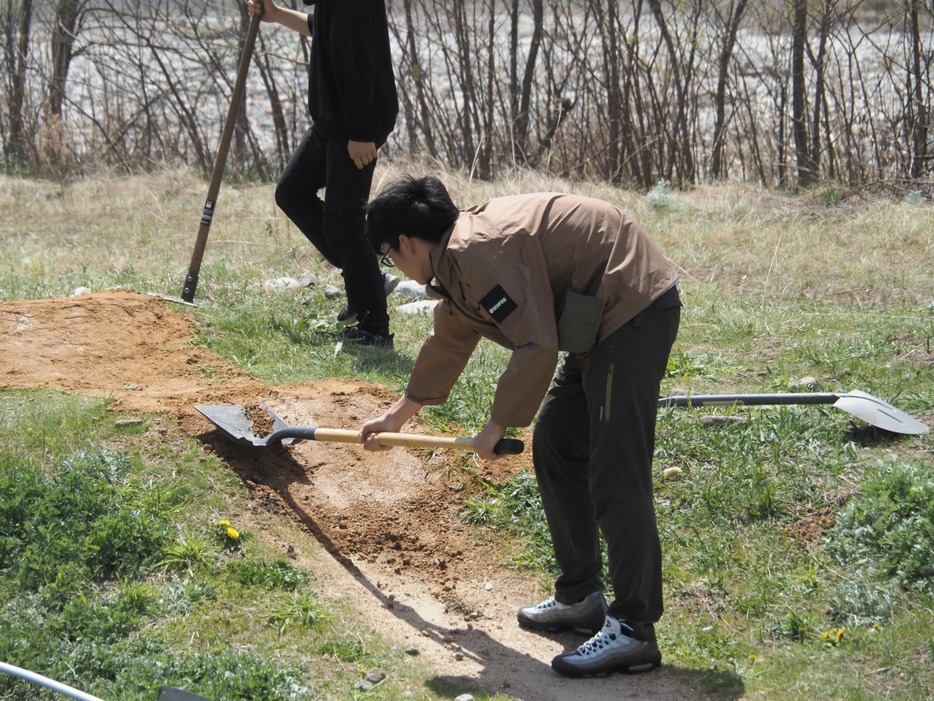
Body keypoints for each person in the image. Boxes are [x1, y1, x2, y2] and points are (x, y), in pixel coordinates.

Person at [358, 175, 682, 677]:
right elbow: (451, 335)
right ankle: (581, 598)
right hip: (595, 318)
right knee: (556, 442)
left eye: (387, 255)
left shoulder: (477, 251)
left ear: (406, 242)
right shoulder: (455, 258)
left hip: (629, 305)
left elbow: (537, 344)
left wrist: (498, 423)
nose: (393, 264)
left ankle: (635, 628)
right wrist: (399, 415)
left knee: (617, 473)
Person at [247, 0, 399, 348]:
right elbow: (325, 28)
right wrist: (277, 15)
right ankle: (364, 273)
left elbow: (359, 60)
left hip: (355, 126)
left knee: (343, 223)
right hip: (333, 121)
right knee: (292, 191)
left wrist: (361, 133)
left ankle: (375, 328)